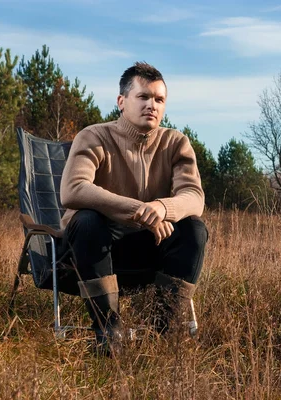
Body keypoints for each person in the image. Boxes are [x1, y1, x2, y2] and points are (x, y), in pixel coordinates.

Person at [59, 62, 207, 354]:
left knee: (194, 229)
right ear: (121, 101)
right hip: (92, 252)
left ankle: (162, 331)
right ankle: (107, 330)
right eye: (143, 97)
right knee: (86, 220)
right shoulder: (94, 136)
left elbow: (194, 196)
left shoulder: (176, 143)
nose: (152, 105)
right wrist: (141, 209)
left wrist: (163, 208)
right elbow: (73, 189)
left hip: (150, 252)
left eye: (159, 99)